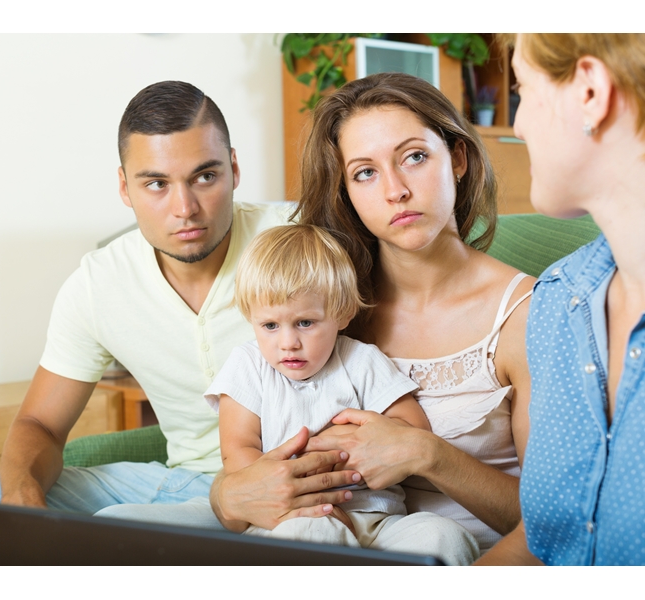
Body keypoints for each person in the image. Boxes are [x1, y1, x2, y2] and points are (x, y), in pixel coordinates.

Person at [0, 80, 358, 565]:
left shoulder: (304, 242)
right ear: (125, 187)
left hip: (286, 475)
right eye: (156, 184)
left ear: (234, 169)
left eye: (204, 177)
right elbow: (39, 422)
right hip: (178, 481)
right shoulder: (98, 283)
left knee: (115, 538)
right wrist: (21, 497)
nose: (184, 208)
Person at [210, 72, 534, 557]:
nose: (395, 190)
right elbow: (238, 470)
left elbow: (563, 521)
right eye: (365, 172)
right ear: (345, 191)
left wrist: (426, 453)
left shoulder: (525, 315)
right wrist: (227, 496)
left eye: (415, 157)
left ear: (458, 159)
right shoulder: (323, 311)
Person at [206, 223, 479, 565]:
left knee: (443, 535)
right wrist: (291, 496)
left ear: (343, 313)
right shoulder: (247, 365)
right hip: (291, 519)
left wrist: (362, 441)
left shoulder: (361, 360)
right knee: (311, 533)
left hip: (375, 522)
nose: (288, 342)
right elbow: (236, 452)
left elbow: (412, 427)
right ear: (251, 318)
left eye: (305, 323)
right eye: (270, 326)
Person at [476, 34, 645, 566]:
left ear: (590, 93)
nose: (519, 124)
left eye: (523, 90)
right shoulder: (557, 298)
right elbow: (549, 541)